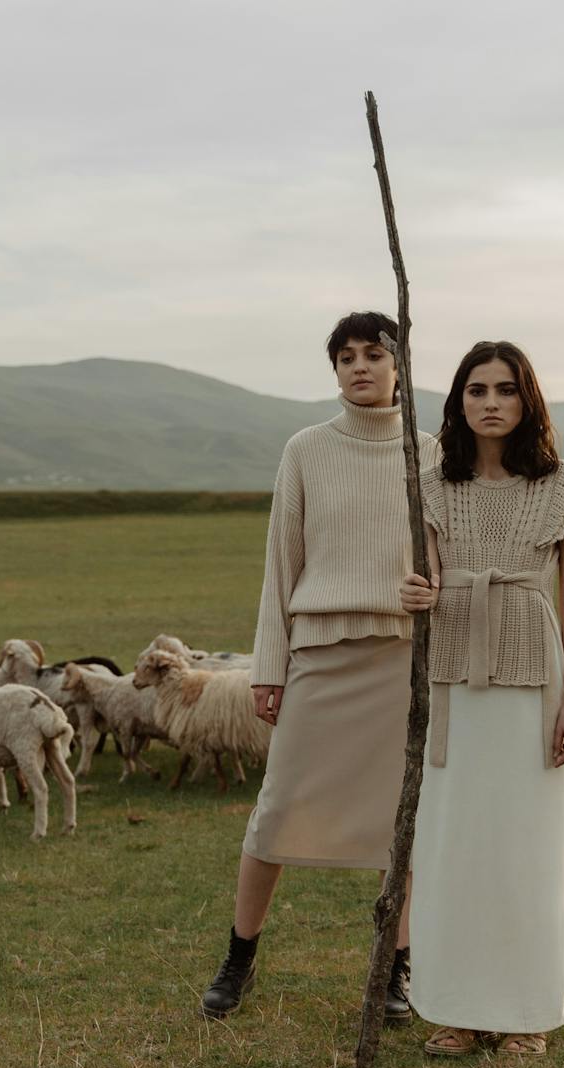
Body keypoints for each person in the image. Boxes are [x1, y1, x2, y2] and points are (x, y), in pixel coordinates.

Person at [199, 311, 436, 1021]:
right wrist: (268, 668)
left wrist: (434, 593)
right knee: (275, 814)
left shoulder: (429, 451)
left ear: (400, 364)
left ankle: (396, 969)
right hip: (318, 658)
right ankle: (239, 958)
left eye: (374, 354)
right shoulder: (305, 449)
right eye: (346, 358)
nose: (359, 367)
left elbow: (448, 558)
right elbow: (281, 566)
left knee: (404, 824)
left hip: (400, 660)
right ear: (334, 370)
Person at [398, 340, 564, 1057]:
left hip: (531, 680)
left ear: (527, 400)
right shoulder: (428, 482)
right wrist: (414, 591)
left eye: (505, 390)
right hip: (452, 679)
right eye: (476, 390)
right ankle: (457, 1008)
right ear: (457, 402)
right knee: (453, 847)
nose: (490, 402)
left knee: (523, 849)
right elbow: (420, 578)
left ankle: (524, 1013)